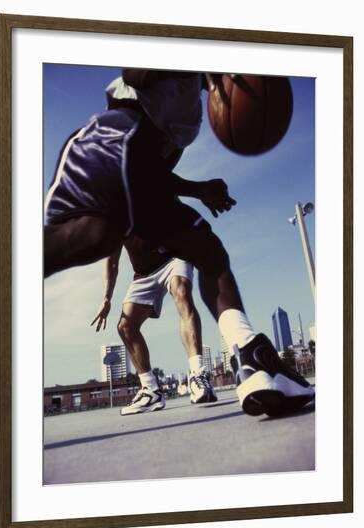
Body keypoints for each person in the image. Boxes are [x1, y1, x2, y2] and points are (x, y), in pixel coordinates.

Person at [44, 69, 315, 417]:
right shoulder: (174, 63)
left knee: (209, 253)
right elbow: (135, 70)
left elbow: (151, 172)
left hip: (144, 178)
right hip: (115, 137)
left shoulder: (191, 105)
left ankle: (251, 357)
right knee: (93, 237)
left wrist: (197, 189)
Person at [91, 235, 217, 416]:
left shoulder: (140, 206)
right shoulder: (112, 219)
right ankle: (151, 390)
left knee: (182, 293)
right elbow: (112, 262)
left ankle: (198, 374)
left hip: (175, 258)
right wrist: (106, 298)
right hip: (144, 274)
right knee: (125, 326)